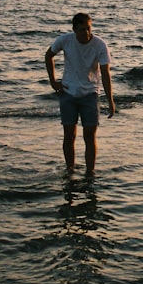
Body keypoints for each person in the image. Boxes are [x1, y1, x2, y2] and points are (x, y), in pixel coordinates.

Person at [45, 13, 116, 174]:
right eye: (82, 29)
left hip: (90, 94)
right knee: (69, 134)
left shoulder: (100, 45)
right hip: (68, 92)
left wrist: (110, 100)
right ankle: (70, 169)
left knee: (89, 135)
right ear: (74, 30)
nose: (87, 33)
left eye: (89, 28)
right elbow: (48, 55)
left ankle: (90, 172)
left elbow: (105, 73)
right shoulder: (65, 40)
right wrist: (53, 81)